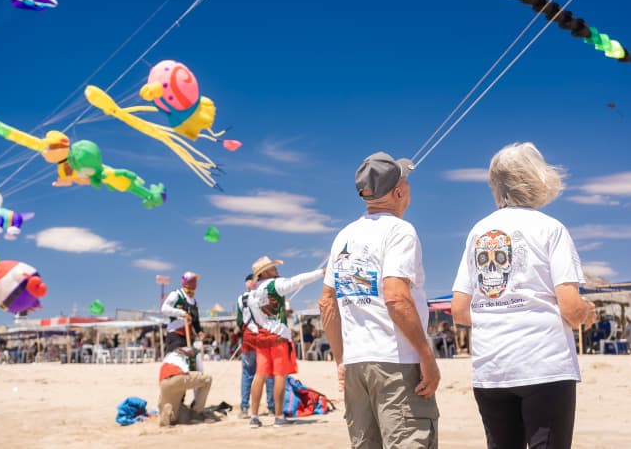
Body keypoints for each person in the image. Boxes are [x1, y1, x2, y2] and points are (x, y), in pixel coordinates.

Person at [452, 142, 595, 449]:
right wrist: (586, 312)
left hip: (491, 370)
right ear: (537, 180)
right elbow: (570, 306)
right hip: (543, 365)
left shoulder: (478, 232)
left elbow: (460, 311)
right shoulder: (550, 229)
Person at [319, 151, 440, 448]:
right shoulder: (400, 230)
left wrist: (341, 360)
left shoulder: (344, 235)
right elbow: (396, 298)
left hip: (357, 363)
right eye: (406, 182)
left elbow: (326, 302)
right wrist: (426, 356)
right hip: (395, 361)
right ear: (399, 192)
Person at [246, 255, 324, 429]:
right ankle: (279, 416)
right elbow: (298, 281)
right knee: (280, 376)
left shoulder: (252, 295)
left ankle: (254, 416)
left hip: (262, 337)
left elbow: (257, 318)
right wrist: (321, 272)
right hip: (279, 337)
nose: (277, 270)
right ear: (265, 272)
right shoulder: (276, 284)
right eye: (273, 268)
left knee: (260, 376)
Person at [236, 273, 274, 419]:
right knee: (268, 373)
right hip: (262, 337)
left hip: (248, 338)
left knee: (248, 374)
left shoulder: (241, 298)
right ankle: (271, 407)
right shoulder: (262, 295)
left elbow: (240, 321)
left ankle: (245, 408)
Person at [157, 345, 212, 427]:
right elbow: (200, 373)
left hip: (164, 382)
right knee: (207, 379)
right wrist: (197, 402)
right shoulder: (195, 353)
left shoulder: (170, 355)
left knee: (172, 411)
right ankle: (196, 413)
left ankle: (168, 414)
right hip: (178, 376)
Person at [162, 271, 203, 352]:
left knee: (188, 362)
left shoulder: (194, 301)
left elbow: (195, 321)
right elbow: (164, 309)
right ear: (184, 282)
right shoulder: (176, 294)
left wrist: (199, 331)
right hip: (175, 334)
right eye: (191, 281)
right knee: (175, 360)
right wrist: (183, 313)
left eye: (195, 281)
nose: (194, 283)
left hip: (188, 336)